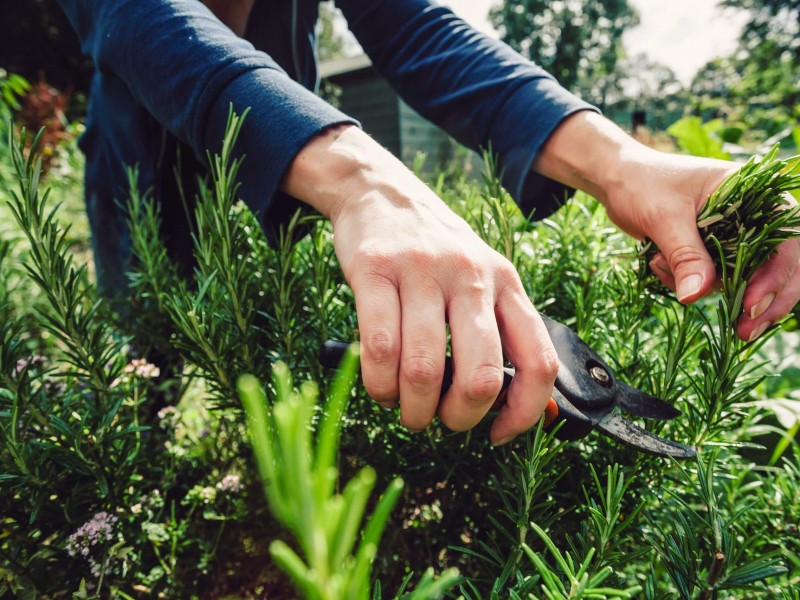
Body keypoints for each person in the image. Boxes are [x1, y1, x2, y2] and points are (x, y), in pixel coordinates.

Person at [57, 0, 800, 446]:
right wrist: (362, 180)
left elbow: (411, 28)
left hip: (294, 190)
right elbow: (132, 12)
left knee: (283, 370)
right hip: (146, 174)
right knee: (141, 373)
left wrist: (619, 162)